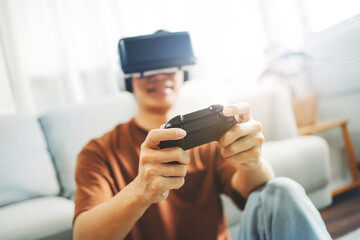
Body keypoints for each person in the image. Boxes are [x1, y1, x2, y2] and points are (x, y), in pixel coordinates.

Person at [73, 32, 332, 240]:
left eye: (169, 67)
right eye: (147, 70)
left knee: (281, 188)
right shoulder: (99, 152)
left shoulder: (205, 138)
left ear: (184, 74)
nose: (160, 75)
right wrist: (141, 190)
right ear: (128, 81)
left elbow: (255, 191)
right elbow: (84, 235)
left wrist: (251, 160)